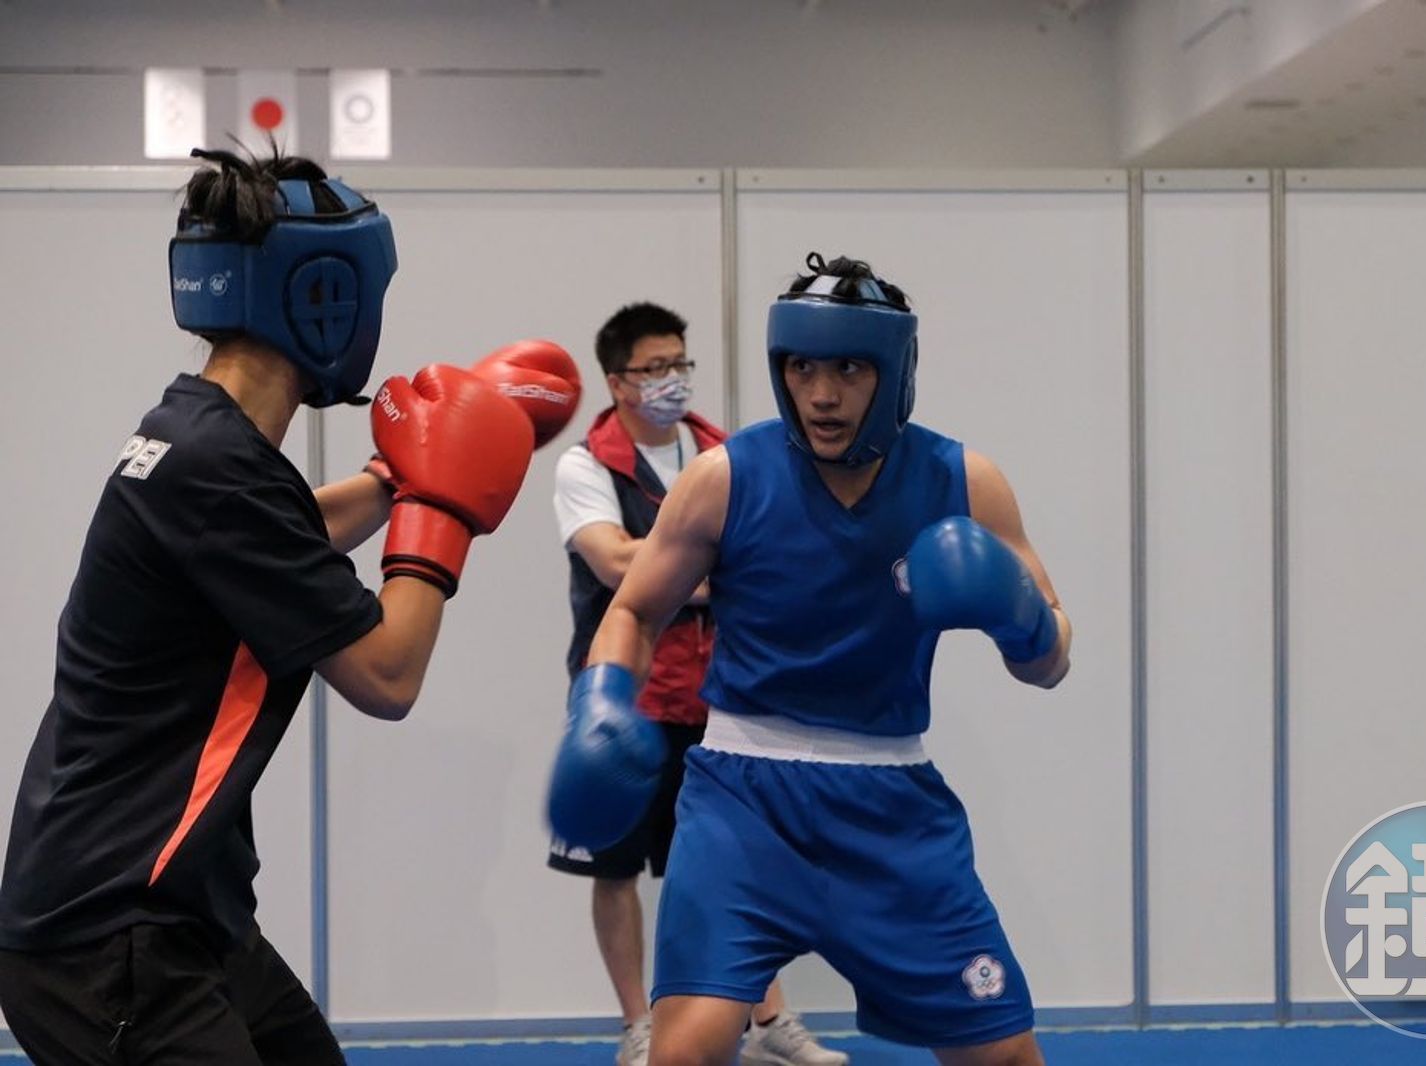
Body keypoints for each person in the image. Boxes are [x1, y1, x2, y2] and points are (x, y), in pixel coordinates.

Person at [0, 147, 562, 1065]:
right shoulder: (220, 471)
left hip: (181, 915)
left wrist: (401, 472)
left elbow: (282, 541)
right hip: (108, 938)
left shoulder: (190, 432)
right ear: (327, 292)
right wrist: (443, 504)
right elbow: (388, 674)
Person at [547, 253, 1072, 1066]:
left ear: (893, 370)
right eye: (802, 368)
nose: (821, 394)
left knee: (1003, 1057)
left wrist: (1020, 616)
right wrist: (603, 701)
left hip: (893, 805)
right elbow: (636, 610)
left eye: (848, 369)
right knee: (685, 1053)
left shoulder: (964, 481)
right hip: (741, 799)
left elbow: (1052, 661)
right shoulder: (725, 477)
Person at [550, 302, 846, 1066]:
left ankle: (768, 1018)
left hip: (724, 700)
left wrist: (701, 560)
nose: (672, 380)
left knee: (742, 864)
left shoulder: (724, 454)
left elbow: (768, 550)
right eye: (654, 368)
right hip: (625, 702)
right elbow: (615, 564)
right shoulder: (586, 464)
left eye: (679, 364)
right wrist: (711, 561)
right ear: (617, 381)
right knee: (615, 869)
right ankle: (637, 1024)